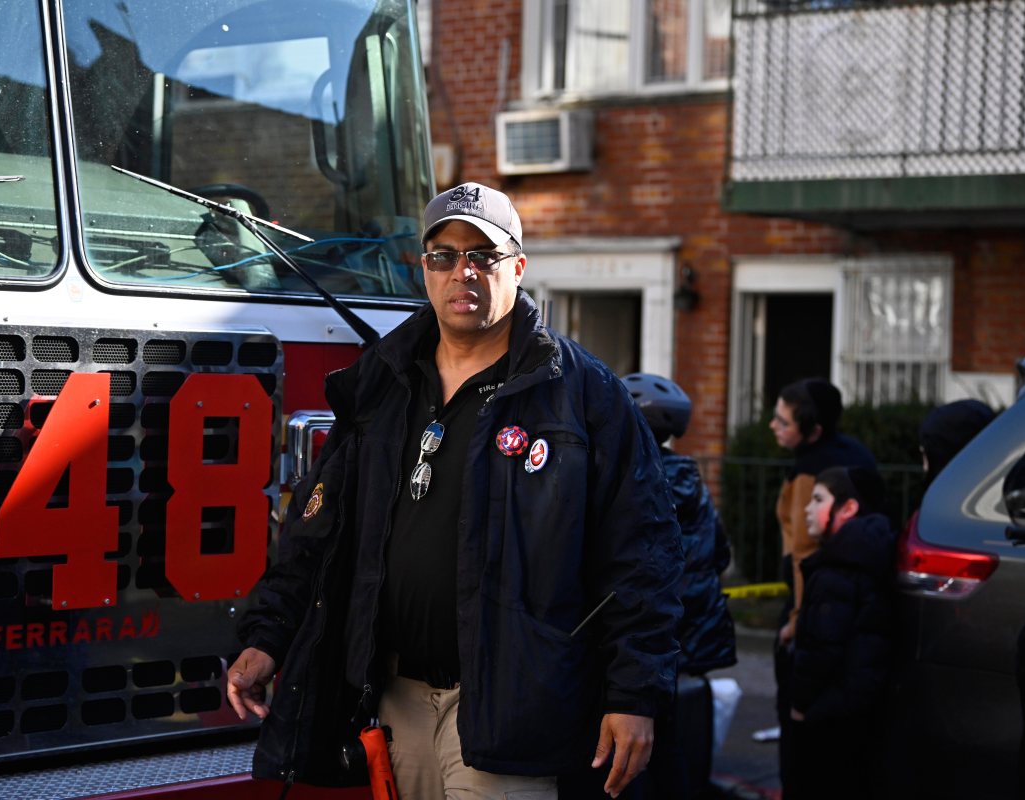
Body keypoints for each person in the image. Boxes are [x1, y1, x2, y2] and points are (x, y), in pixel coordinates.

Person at [226, 182, 683, 800]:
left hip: (511, 707)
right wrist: (266, 637)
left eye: (482, 256)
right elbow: (317, 533)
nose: (461, 271)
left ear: (518, 267)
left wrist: (634, 693)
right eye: (444, 256)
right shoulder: (382, 385)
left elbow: (643, 556)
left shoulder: (583, 395)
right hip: (395, 701)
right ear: (425, 268)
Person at [619, 373, 737, 800]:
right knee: (671, 748)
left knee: (636, 748)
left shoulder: (634, 479)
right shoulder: (692, 481)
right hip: (690, 638)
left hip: (649, 638)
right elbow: (718, 553)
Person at [767, 377, 874, 795]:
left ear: (812, 429)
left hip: (816, 609)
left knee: (799, 726)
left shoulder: (813, 471)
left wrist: (795, 620)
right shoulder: (854, 454)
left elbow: (802, 551)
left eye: (784, 421)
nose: (774, 426)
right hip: (856, 602)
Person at [788, 465, 894, 800]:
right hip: (857, 710)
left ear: (847, 508)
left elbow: (820, 649)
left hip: (829, 713)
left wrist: (800, 705)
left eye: (818, 499)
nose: (807, 507)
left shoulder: (837, 569)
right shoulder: (870, 555)